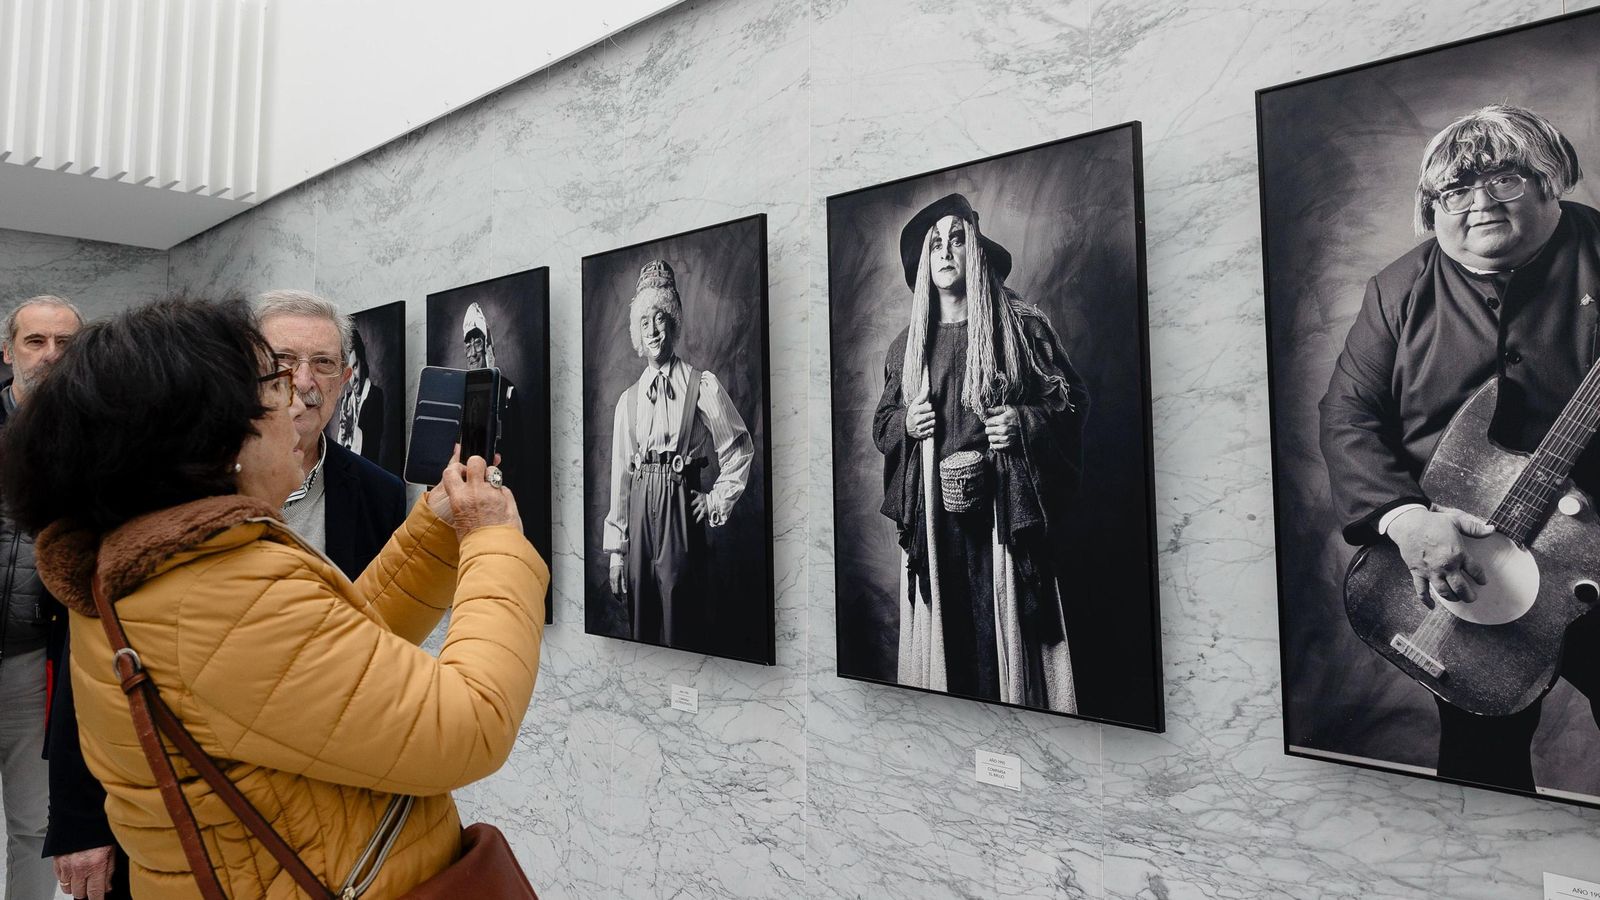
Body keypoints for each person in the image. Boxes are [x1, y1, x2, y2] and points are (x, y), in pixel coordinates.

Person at [0, 296, 547, 898]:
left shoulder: (171, 563)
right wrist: (495, 543)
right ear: (211, 437)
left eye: (320, 368)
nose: (300, 403)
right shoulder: (212, 588)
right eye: (275, 382)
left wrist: (434, 530)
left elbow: (328, 659)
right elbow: (469, 724)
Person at [1320, 104, 1600, 791]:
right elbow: (1348, 416)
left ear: (1548, 180)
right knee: (1480, 769)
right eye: (1453, 190)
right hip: (1457, 562)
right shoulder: (1395, 290)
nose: (1477, 203)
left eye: (1502, 180)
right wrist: (1406, 519)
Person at [873, 193, 1089, 712]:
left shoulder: (1020, 327)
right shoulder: (907, 348)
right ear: (925, 263)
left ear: (976, 249)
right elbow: (882, 425)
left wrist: (1025, 422)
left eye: (957, 238)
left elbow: (1072, 402)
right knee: (952, 647)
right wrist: (907, 421)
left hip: (1001, 522)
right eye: (934, 243)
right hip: (935, 522)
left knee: (1005, 643)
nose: (946, 250)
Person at [1, 295, 114, 900]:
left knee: (32, 824)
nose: (50, 356)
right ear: (7, 351)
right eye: (35, 342)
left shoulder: (101, 441)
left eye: (65, 344)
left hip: (35, 662)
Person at [602, 260, 754, 647]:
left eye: (660, 318)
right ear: (637, 331)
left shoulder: (700, 385)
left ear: (672, 321)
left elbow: (738, 449)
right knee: (641, 620)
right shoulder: (628, 402)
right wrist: (617, 553)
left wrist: (715, 500)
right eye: (645, 322)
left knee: (680, 618)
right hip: (638, 512)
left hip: (679, 511)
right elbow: (620, 479)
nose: (653, 330)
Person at [256, 290, 406, 580]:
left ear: (342, 382)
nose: (302, 380)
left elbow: (380, 614)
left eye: (323, 362)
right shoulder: (193, 478)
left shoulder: (380, 495)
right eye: (283, 359)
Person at [333, 327, 386, 465]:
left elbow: (370, 449)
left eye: (355, 366)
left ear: (363, 362)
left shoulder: (375, 396)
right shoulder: (346, 399)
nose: (353, 378)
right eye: (348, 371)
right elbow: (340, 447)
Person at [462, 302, 495, 369]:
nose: (473, 353)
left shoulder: (498, 379)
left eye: (477, 343)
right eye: (468, 346)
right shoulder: (459, 379)